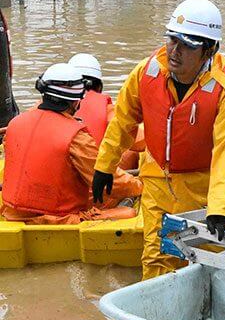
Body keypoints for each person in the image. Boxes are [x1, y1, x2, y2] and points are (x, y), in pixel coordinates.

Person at [91, 0, 225, 280]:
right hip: (156, 181)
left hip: (200, 187)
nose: (175, 51)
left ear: (209, 49)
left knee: (203, 260)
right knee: (155, 258)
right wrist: (104, 166)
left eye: (187, 44)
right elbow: (123, 121)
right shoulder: (147, 72)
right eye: (172, 40)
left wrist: (220, 209)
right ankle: (155, 315)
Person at [1, 63, 142, 225]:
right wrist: (140, 185)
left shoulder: (14, 124)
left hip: (12, 214)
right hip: (59, 219)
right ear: (76, 102)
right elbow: (109, 182)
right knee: (129, 212)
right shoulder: (77, 137)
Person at [68, 53, 145, 169]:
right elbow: (142, 142)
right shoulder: (107, 111)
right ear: (99, 86)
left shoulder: (47, 107)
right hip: (95, 174)